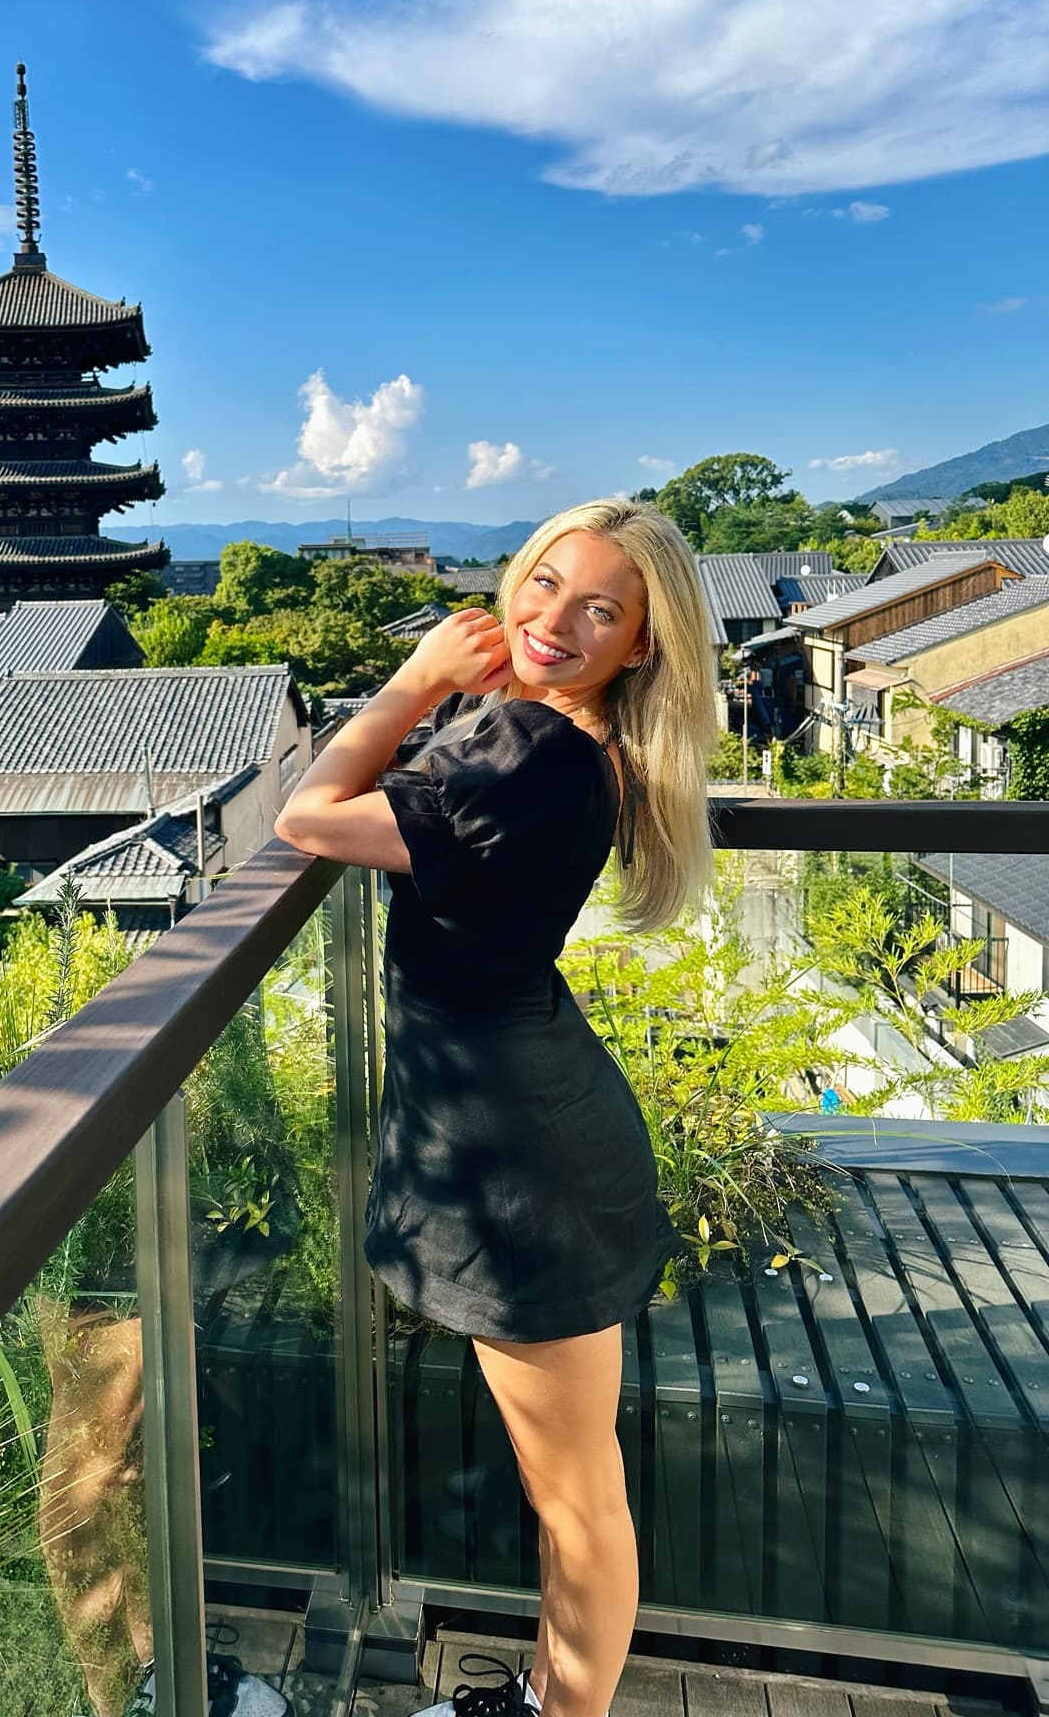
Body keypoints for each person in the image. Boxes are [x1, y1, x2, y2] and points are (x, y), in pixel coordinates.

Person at [274, 499, 719, 1717]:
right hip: (525, 1126)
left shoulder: (526, 752)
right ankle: (537, 1701)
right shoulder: (543, 737)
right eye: (543, 584)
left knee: (575, 1496)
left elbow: (306, 815)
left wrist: (416, 674)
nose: (553, 621)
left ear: (642, 644)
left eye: (599, 609)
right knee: (568, 1486)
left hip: (521, 1164)